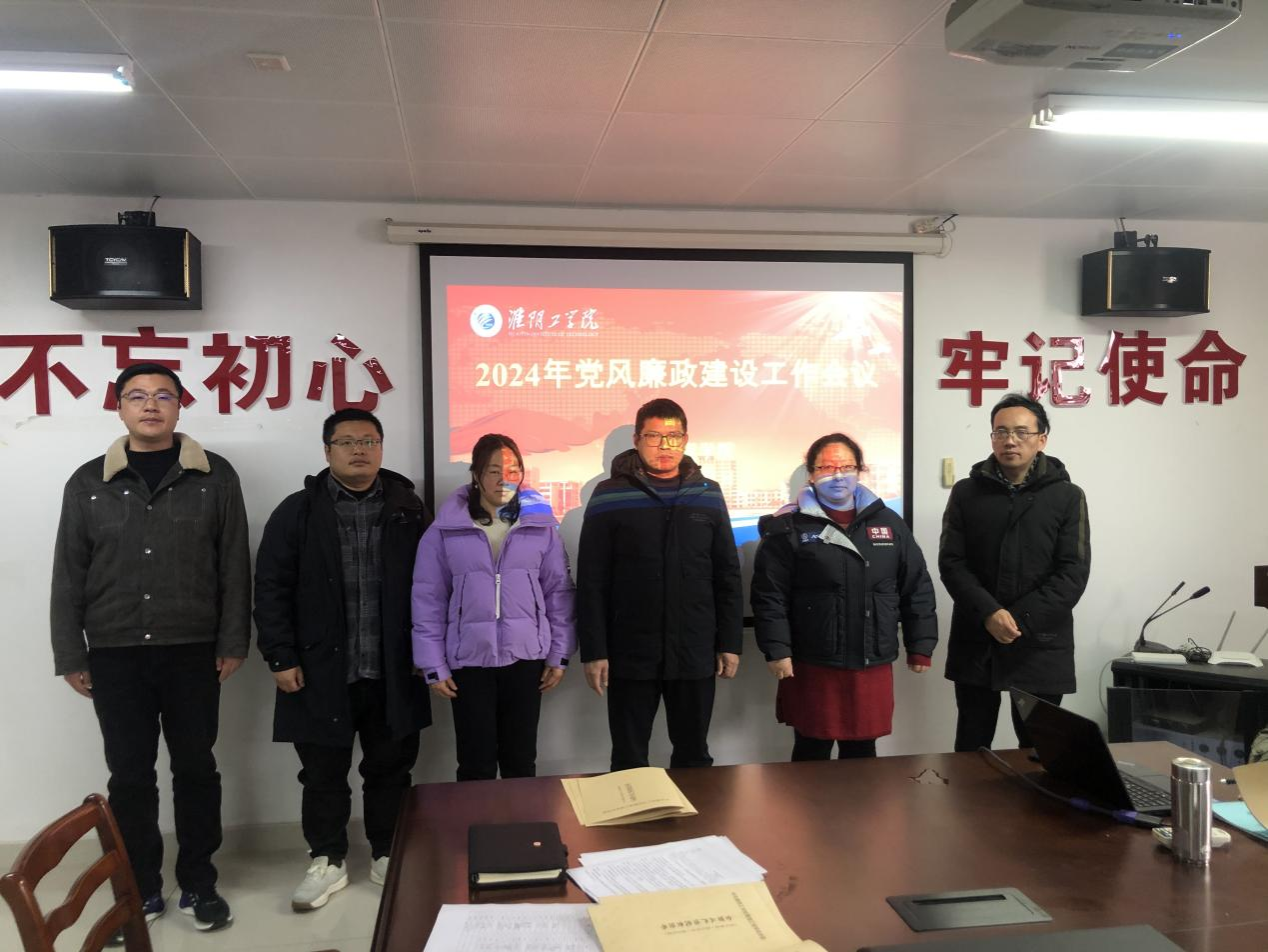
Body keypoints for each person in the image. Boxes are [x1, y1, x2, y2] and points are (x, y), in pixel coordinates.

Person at [51, 363, 248, 937]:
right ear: (119, 408)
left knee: (196, 768)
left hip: (193, 650)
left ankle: (199, 882)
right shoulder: (88, 481)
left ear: (181, 405)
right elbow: (69, 572)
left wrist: (233, 641)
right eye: (137, 396)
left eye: (163, 395)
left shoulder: (214, 476)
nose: (150, 405)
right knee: (130, 776)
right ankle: (140, 889)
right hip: (115, 652)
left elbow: (234, 564)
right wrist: (71, 653)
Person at [254, 408, 432, 912]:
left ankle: (386, 851)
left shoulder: (408, 509)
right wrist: (280, 656)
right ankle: (327, 858)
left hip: (392, 667)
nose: (359, 450)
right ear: (327, 450)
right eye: (348, 441)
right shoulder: (298, 511)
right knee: (321, 773)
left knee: (391, 769)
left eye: (369, 441)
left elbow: (434, 586)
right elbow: (270, 587)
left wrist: (429, 651)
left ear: (381, 448)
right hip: (319, 669)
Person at [577, 398, 743, 771]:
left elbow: (727, 573)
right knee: (629, 757)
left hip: (694, 650)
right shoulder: (609, 494)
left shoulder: (708, 492)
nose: (664, 446)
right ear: (637, 440)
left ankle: (696, 813)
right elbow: (591, 579)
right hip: (630, 651)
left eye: (674, 436)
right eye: (654, 436)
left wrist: (730, 642)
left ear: (686, 440)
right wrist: (594, 650)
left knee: (694, 755)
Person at [751, 433, 938, 760]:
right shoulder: (789, 525)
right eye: (826, 467)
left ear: (860, 470)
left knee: (862, 750)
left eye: (847, 467)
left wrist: (921, 645)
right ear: (811, 473)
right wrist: (777, 649)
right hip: (814, 661)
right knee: (811, 749)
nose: (837, 476)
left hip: (870, 659)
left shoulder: (888, 522)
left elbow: (916, 584)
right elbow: (770, 594)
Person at [411, 434, 575, 781]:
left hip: (526, 658)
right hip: (470, 661)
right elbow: (428, 599)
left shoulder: (541, 527)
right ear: (476, 474)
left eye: (513, 470)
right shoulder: (444, 531)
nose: (504, 479)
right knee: (476, 765)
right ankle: (476, 820)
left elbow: (558, 593)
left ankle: (522, 819)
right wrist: (432, 664)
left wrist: (559, 654)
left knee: (521, 762)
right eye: (494, 471)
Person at [939, 393, 1091, 752]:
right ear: (992, 437)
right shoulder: (966, 493)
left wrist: (1017, 620)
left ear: (1042, 439)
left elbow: (1073, 571)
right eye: (1001, 432)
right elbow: (952, 562)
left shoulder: (1067, 496)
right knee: (971, 746)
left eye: (1022, 432)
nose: (1010, 441)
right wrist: (989, 613)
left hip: (1041, 643)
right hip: (978, 635)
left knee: (1040, 750)